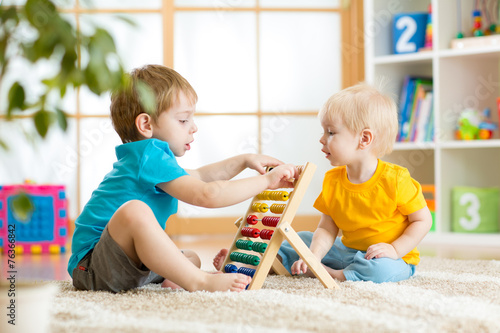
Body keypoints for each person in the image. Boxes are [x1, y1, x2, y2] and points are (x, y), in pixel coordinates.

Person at [68, 64, 298, 293]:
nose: (193, 127)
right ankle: (201, 282)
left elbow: (200, 176)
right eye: (183, 120)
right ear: (146, 124)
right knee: (134, 211)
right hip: (91, 267)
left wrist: (244, 160)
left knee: (190, 258)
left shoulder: (148, 159)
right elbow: (206, 194)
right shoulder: (148, 157)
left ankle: (177, 278)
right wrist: (266, 182)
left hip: (124, 265)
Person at [277, 82, 433, 283]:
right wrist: (314, 255)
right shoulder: (332, 180)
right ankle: (281, 261)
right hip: (346, 250)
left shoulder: (395, 179)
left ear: (364, 139)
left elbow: (423, 220)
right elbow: (326, 228)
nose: (322, 139)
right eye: (324, 131)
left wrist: (395, 249)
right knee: (299, 239)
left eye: (331, 132)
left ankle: (336, 275)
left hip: (388, 257)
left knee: (381, 270)